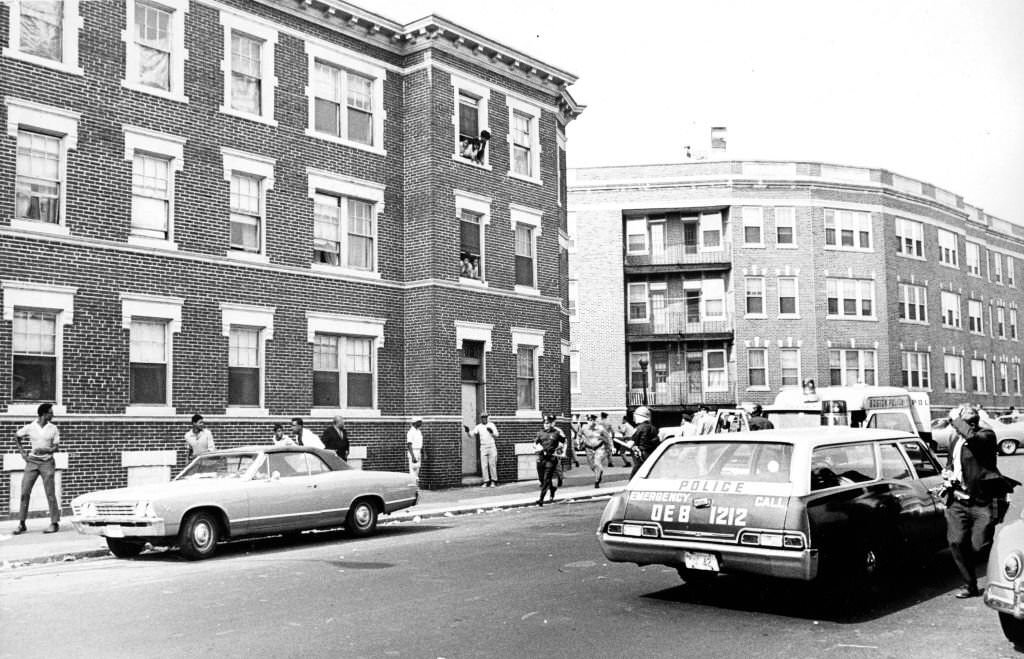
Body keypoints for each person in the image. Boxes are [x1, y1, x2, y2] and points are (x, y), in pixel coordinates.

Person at [944, 406, 1017, 598]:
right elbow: (952, 461)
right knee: (956, 542)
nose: (970, 424)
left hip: (981, 500)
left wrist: (956, 419)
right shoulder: (954, 438)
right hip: (958, 500)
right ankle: (970, 585)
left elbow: (973, 440)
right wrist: (948, 472)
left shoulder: (986, 435)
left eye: (971, 420)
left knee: (980, 545)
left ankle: (1000, 576)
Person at [12, 403, 62, 534]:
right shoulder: (30, 427)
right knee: (24, 492)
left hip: (47, 462)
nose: (53, 415)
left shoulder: (53, 428)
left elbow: (56, 448)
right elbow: (17, 436)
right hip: (32, 463)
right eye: (51, 413)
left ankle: (54, 523)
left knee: (50, 493)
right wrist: (23, 453)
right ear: (44, 414)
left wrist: (46, 449)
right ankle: (21, 524)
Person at [533, 414, 566, 506]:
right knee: (541, 479)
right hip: (541, 457)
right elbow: (535, 443)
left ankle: (541, 499)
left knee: (547, 478)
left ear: (551, 424)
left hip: (551, 458)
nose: (546, 425)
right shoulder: (540, 433)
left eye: (548, 423)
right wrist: (537, 448)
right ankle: (552, 489)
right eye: (545, 423)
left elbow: (563, 443)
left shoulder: (556, 433)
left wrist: (559, 452)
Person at [627, 406, 659, 479]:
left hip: (641, 455)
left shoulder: (638, 428)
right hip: (651, 454)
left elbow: (632, 441)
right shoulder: (654, 428)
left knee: (634, 477)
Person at [581, 414, 613, 487]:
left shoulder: (600, 428)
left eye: (593, 420)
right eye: (589, 420)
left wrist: (611, 447)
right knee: (592, 466)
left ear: (595, 421)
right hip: (588, 448)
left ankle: (597, 480)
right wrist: (579, 441)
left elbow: (608, 437)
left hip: (599, 448)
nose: (591, 422)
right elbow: (579, 435)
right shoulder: (584, 428)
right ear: (587, 421)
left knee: (597, 462)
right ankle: (599, 472)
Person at [473, 413, 499, 487]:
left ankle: (493, 481)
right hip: (483, 447)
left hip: (491, 446)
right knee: (484, 465)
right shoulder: (479, 426)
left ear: (487, 418)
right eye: (482, 418)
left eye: (485, 417)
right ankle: (486, 481)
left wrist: (492, 432)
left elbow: (497, 435)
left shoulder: (491, 425)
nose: (484, 419)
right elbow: (472, 434)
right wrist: (468, 431)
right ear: (481, 419)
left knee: (492, 464)